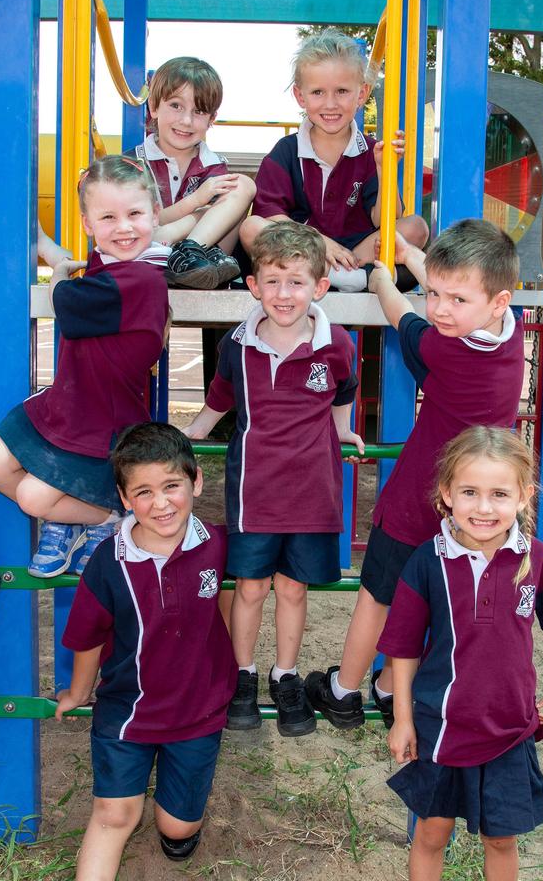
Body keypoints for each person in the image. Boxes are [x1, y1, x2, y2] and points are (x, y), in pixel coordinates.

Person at [306, 218, 525, 730]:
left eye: (456, 301)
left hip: (416, 501)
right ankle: (388, 688)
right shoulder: (505, 334)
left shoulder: (447, 348)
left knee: (377, 597)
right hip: (472, 508)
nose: (442, 309)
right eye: (436, 294)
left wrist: (386, 279)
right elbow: (455, 286)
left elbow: (404, 319)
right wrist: (409, 255)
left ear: (497, 301)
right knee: (436, 602)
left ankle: (342, 691)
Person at [184, 221, 364, 737]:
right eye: (273, 281)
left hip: (312, 494)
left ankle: (285, 677)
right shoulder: (237, 347)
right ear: (253, 285)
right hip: (253, 493)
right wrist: (193, 432)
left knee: (292, 588)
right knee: (251, 587)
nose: (284, 294)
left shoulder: (336, 345)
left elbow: (344, 390)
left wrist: (344, 430)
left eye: (297, 282)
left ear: (319, 287)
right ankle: (243, 674)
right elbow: (220, 396)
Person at [381, 426, 543, 881]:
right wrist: (404, 718)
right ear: (447, 494)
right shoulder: (427, 562)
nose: (484, 507)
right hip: (441, 727)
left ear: (524, 495)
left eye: (499, 493)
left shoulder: (538, 559)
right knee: (431, 833)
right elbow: (404, 650)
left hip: (509, 727)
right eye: (469, 492)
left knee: (501, 838)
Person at [55, 422, 236, 879]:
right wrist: (77, 692)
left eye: (171, 486)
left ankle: (178, 825)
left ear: (196, 480)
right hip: (126, 711)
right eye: (144, 492)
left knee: (177, 827)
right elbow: (88, 637)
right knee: (114, 816)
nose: (160, 504)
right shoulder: (108, 561)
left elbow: (239, 602)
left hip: (197, 710)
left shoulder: (218, 546)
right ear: (124, 498)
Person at [0, 155, 170, 578]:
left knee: (31, 495)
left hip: (101, 426)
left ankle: (107, 518)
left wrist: (58, 280)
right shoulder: (111, 268)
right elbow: (79, 270)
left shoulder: (143, 280)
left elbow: (67, 301)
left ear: (155, 215)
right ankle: (72, 519)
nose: (123, 227)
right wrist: (44, 244)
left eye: (135, 214)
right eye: (108, 217)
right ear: (88, 224)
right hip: (69, 407)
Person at [239, 28, 428, 292]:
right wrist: (318, 241)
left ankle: (346, 276)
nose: (330, 104)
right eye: (318, 92)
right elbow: (270, 214)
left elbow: (384, 220)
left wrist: (385, 170)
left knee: (416, 227)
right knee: (251, 228)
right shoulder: (287, 150)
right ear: (300, 96)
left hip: (357, 252)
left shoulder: (371, 150)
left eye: (342, 91)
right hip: (303, 253)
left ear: (361, 94)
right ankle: (351, 279)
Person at [129, 56, 256, 289]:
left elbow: (221, 227)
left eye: (199, 111)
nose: (186, 120)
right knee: (141, 222)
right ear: (154, 107)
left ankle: (188, 253)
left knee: (244, 185)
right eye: (176, 106)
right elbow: (139, 225)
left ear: (211, 119)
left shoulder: (213, 166)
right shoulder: (132, 164)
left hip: (203, 261)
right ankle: (184, 255)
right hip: (146, 252)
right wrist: (196, 201)